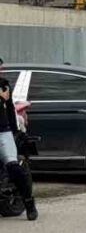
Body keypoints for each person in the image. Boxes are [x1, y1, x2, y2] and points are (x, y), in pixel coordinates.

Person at [0, 74, 36, 221]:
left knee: (13, 166)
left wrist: (15, 131)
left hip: (3, 132)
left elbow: (10, 109)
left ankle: (29, 202)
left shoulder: (3, 85)